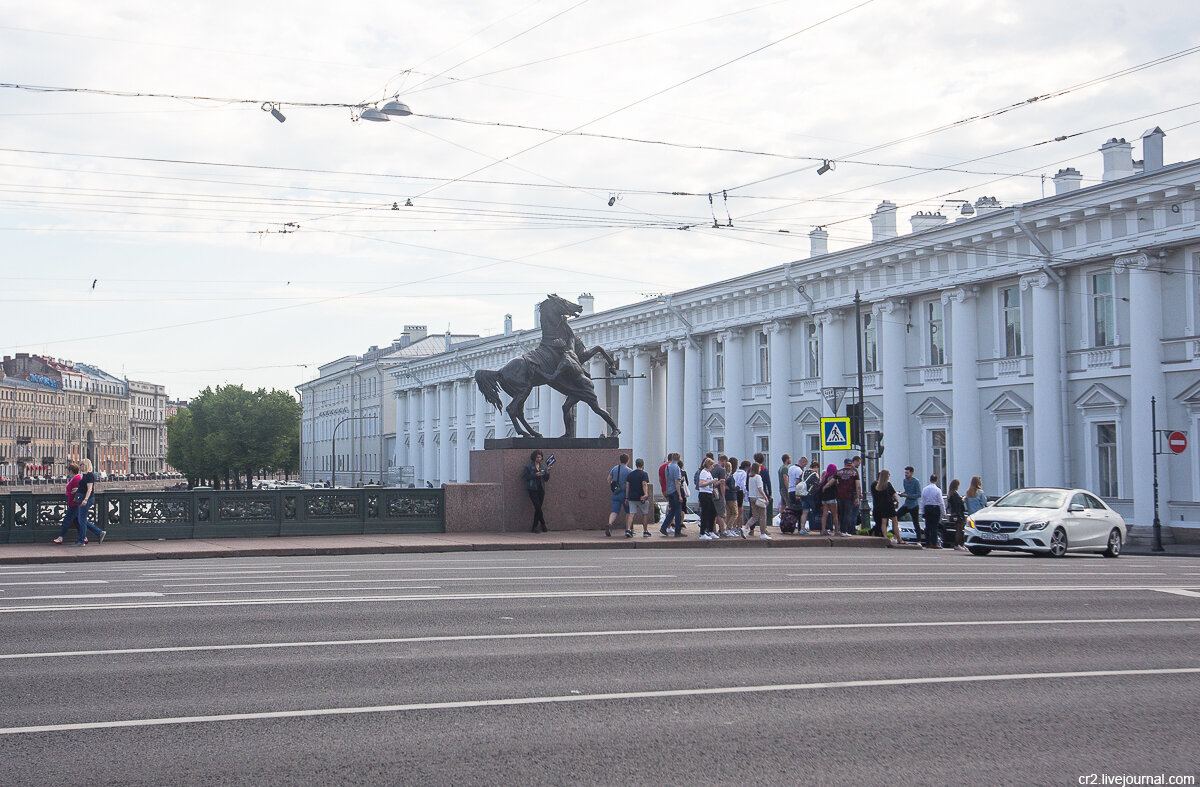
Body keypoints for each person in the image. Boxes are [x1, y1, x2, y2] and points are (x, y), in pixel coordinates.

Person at [73, 458, 105, 545]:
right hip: (84, 497)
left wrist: (85, 499)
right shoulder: (85, 475)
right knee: (81, 519)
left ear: (85, 465)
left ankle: (81, 540)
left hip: (87, 499)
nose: (80, 467)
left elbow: (90, 488)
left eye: (81, 465)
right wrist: (78, 489)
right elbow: (84, 487)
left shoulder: (90, 475)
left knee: (81, 520)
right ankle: (99, 532)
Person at [52, 461, 83, 544]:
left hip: (74, 503)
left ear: (71, 471)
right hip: (72, 503)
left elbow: (79, 491)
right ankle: (84, 537)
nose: (69, 472)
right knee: (77, 522)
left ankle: (60, 538)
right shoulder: (75, 478)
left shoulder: (77, 479)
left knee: (67, 520)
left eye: (69, 470)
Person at [624, 458, 653, 538]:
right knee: (644, 514)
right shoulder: (644, 474)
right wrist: (646, 494)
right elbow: (644, 484)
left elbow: (627, 486)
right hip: (641, 497)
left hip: (631, 497)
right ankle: (645, 531)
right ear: (642, 465)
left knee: (631, 514)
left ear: (636, 464)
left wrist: (626, 497)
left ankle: (628, 530)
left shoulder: (630, 474)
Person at [871, 469, 901, 542]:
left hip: (881, 505)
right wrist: (897, 502)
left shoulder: (877, 485)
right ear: (886, 476)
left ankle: (885, 537)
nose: (889, 476)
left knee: (884, 522)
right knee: (895, 522)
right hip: (889, 505)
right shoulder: (888, 484)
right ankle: (899, 539)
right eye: (888, 474)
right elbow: (894, 495)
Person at [522, 451, 550, 533]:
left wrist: (547, 472)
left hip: (541, 489)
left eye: (540, 457)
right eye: (537, 457)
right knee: (537, 507)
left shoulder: (542, 467)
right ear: (534, 457)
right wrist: (535, 475)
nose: (539, 459)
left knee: (538, 509)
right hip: (532, 489)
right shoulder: (529, 466)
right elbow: (525, 476)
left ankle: (535, 527)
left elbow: (546, 479)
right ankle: (542, 524)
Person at [834, 457, 861, 537]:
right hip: (849, 496)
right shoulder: (854, 472)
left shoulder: (839, 472)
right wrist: (857, 496)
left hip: (839, 495)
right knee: (847, 514)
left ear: (845, 463)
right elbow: (858, 486)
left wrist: (825, 487)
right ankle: (844, 531)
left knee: (841, 513)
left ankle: (839, 530)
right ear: (851, 463)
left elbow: (833, 481)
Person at [606, 454, 632, 537]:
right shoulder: (629, 471)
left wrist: (613, 487)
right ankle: (628, 529)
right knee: (628, 512)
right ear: (628, 461)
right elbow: (629, 484)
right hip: (625, 494)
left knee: (614, 511)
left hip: (615, 493)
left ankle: (609, 524)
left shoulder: (615, 468)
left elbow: (608, 479)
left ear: (620, 460)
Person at [744, 462, 772, 540]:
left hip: (751, 497)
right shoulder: (758, 477)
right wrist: (765, 497)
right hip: (759, 498)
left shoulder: (750, 477)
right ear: (757, 469)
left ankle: (745, 528)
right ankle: (762, 533)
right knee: (763, 516)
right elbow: (760, 489)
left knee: (754, 516)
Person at [661, 453, 684, 537]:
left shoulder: (668, 466)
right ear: (678, 459)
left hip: (669, 490)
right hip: (675, 491)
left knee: (672, 511)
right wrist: (680, 495)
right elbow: (677, 482)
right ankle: (677, 531)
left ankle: (663, 527)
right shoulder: (677, 467)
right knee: (678, 512)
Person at [921, 474, 947, 549]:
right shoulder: (938, 490)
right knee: (935, 526)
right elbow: (941, 502)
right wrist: (944, 512)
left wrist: (922, 511)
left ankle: (928, 543)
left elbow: (922, 501)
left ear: (930, 480)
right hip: (935, 508)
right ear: (936, 480)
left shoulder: (925, 489)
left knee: (928, 526)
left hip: (927, 508)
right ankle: (934, 543)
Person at [898, 466, 922, 541]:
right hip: (907, 504)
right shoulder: (905, 481)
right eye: (905, 473)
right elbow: (906, 491)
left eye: (907, 473)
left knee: (916, 522)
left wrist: (907, 495)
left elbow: (918, 494)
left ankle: (919, 540)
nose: (906, 474)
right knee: (896, 516)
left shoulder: (916, 482)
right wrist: (902, 494)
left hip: (914, 505)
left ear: (911, 473)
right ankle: (896, 535)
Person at [696, 457, 718, 540]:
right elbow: (701, 484)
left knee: (713, 512)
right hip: (704, 494)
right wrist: (711, 482)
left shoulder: (708, 473)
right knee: (705, 514)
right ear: (709, 465)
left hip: (709, 493)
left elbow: (709, 484)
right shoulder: (704, 473)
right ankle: (702, 533)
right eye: (712, 465)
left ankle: (710, 531)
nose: (713, 467)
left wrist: (716, 482)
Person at [800, 460, 822, 531]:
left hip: (803, 494)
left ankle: (802, 528)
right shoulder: (814, 474)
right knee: (816, 510)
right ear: (816, 467)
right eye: (817, 468)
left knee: (804, 512)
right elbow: (818, 485)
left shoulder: (803, 473)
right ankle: (815, 526)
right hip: (811, 495)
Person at [711, 455, 730, 537]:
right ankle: (722, 531)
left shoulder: (712, 468)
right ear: (724, 461)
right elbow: (722, 484)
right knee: (720, 514)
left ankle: (713, 530)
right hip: (718, 494)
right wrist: (723, 496)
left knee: (713, 514)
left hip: (711, 493)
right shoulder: (721, 470)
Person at [818, 463, 839, 536]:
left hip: (824, 499)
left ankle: (823, 530)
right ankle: (836, 531)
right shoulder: (833, 477)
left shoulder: (824, 477)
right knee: (835, 515)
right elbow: (833, 485)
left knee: (824, 515)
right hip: (832, 498)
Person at [946, 478, 967, 551]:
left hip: (955, 513)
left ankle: (961, 544)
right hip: (958, 514)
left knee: (960, 530)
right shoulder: (954, 494)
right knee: (959, 530)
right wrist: (962, 500)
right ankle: (957, 544)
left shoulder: (950, 493)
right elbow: (957, 505)